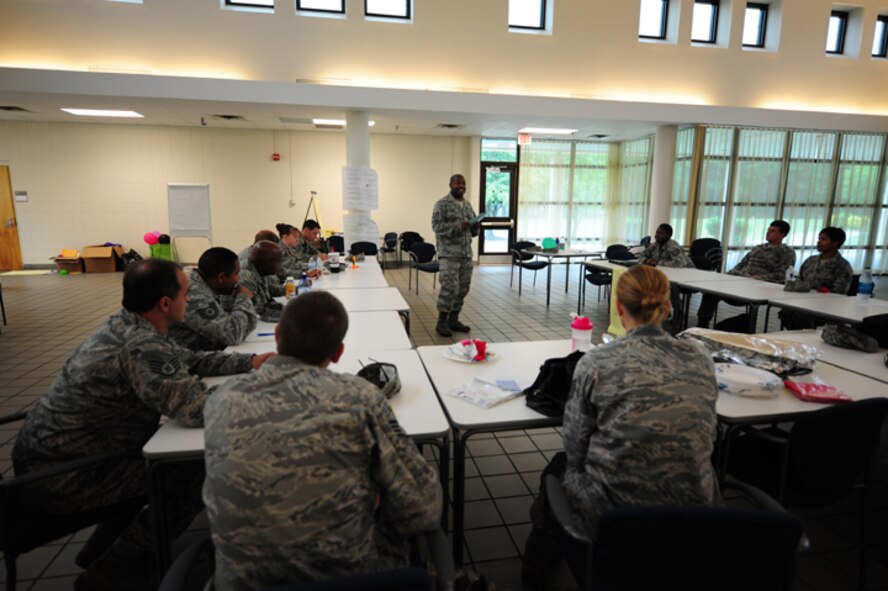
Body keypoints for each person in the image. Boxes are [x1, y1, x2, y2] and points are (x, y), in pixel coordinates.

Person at [11, 259, 274, 591]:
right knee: (194, 470)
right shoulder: (140, 343)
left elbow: (187, 360)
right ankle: (116, 568)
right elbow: (195, 409)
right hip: (66, 476)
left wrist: (249, 362)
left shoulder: (129, 325)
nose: (189, 300)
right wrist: (261, 390)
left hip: (54, 457)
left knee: (174, 463)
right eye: (184, 294)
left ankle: (105, 545)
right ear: (166, 303)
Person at [203, 291, 442, 590]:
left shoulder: (223, 398)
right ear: (339, 352)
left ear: (277, 335)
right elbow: (422, 511)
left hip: (244, 584)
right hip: (353, 579)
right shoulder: (359, 396)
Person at [523, 264, 721, 581]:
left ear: (618, 307)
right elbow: (708, 435)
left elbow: (575, 448)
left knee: (559, 468)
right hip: (694, 516)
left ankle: (536, 570)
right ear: (668, 307)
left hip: (614, 520)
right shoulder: (700, 358)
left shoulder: (596, 362)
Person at [696, 220, 795, 328]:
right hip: (740, 281)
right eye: (768, 230)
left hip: (757, 287)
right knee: (711, 291)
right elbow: (741, 264)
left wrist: (759, 278)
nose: (768, 233)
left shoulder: (786, 252)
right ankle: (702, 324)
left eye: (773, 231)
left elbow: (782, 274)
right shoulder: (759, 248)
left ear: (782, 235)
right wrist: (729, 275)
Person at [169, 247, 258, 351]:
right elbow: (233, 335)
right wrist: (243, 297)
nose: (239, 279)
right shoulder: (195, 295)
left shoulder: (209, 284)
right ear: (221, 277)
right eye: (236, 274)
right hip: (189, 361)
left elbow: (244, 324)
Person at [431, 173, 479, 337]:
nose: (461, 186)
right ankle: (441, 322)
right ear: (450, 185)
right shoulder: (442, 204)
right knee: (450, 288)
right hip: (449, 255)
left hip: (466, 255)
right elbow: (437, 227)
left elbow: (472, 232)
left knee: (463, 288)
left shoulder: (467, 205)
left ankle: (454, 319)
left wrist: (475, 225)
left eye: (463, 184)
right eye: (458, 183)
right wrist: (459, 226)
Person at [780, 226, 854, 329]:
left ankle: (805, 338)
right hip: (804, 301)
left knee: (802, 315)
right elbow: (800, 281)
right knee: (786, 311)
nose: (819, 242)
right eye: (819, 239)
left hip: (825, 305)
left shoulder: (842, 266)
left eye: (824, 239)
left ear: (835, 243)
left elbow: (838, 293)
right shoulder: (811, 261)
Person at [639, 223, 692, 331]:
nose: (657, 235)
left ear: (668, 235)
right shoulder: (655, 245)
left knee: (669, 286)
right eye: (657, 232)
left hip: (686, 276)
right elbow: (641, 255)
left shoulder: (673, 246)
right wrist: (646, 260)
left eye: (660, 233)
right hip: (666, 274)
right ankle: (658, 313)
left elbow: (679, 264)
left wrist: (658, 262)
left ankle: (678, 313)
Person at [238, 240, 286, 322]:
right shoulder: (246, 277)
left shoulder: (260, 269)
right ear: (265, 263)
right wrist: (291, 314)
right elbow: (259, 311)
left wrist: (295, 289)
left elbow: (270, 290)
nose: (281, 266)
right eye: (278, 262)